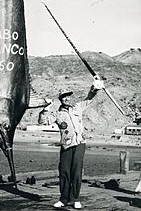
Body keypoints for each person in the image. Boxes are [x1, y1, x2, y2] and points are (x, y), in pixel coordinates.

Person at [50, 76, 105, 209]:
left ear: (70, 97)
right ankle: (63, 199)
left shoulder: (78, 107)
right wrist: (46, 108)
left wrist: (95, 87)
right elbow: (43, 121)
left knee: (76, 172)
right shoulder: (57, 114)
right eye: (63, 97)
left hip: (80, 143)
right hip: (66, 145)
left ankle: (75, 198)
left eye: (68, 96)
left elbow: (89, 98)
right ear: (60, 99)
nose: (66, 98)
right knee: (64, 171)